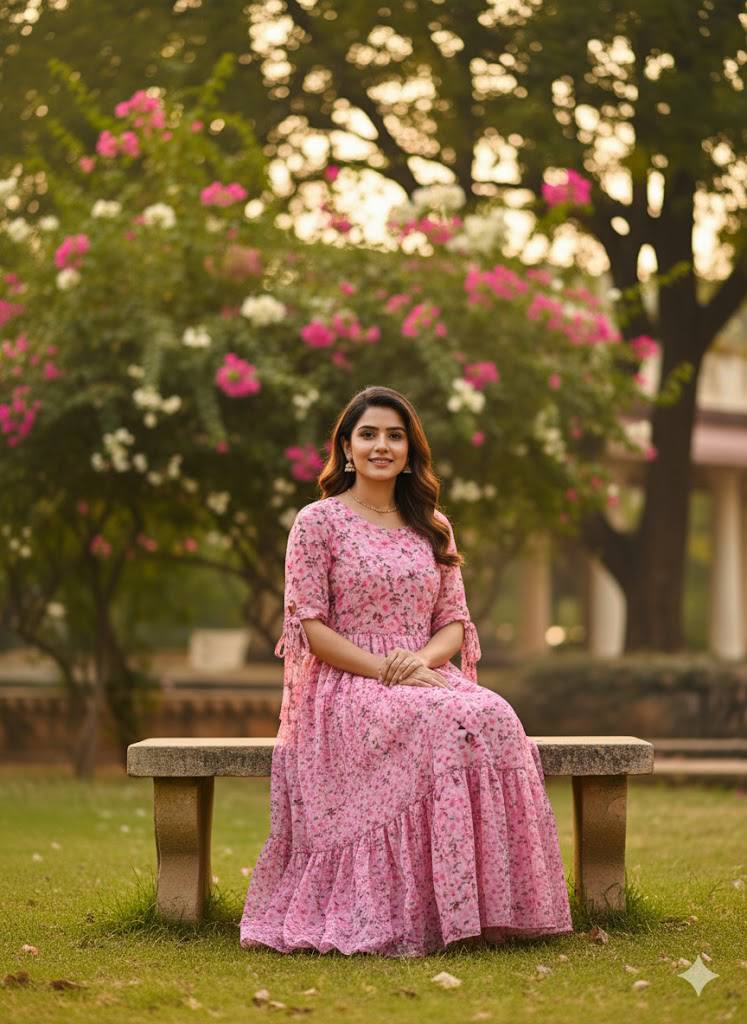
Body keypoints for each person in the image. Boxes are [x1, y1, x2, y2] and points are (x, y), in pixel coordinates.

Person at [240, 385, 573, 957]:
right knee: (444, 726)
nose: (381, 446)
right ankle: (420, 912)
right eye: (368, 434)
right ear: (346, 447)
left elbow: (453, 624)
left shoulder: (433, 525)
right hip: (345, 684)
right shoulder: (317, 523)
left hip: (424, 674)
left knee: (493, 712)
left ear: (409, 450)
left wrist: (416, 662)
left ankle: (491, 906)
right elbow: (311, 630)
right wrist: (385, 669)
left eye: (394, 435)